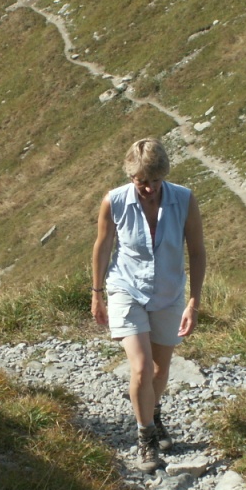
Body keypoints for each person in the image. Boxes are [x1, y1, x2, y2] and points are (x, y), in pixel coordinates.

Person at [92, 137, 206, 473]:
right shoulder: (114, 201)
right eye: (141, 181)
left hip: (169, 292)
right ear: (131, 176)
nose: (149, 188)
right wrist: (97, 293)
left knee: (159, 368)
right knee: (141, 367)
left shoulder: (184, 199)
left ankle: (153, 415)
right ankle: (146, 439)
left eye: (155, 180)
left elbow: (197, 251)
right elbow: (103, 245)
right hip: (126, 288)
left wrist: (193, 303)